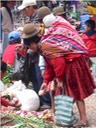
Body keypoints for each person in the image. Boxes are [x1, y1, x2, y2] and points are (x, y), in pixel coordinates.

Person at [21, 21, 95, 127]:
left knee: (76, 92)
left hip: (72, 64)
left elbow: (59, 64)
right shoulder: (43, 46)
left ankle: (83, 120)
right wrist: (46, 81)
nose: (29, 49)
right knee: (62, 92)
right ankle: (67, 116)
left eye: (29, 46)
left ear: (32, 43)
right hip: (67, 65)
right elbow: (50, 66)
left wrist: (59, 79)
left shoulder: (46, 47)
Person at [18, 0, 51, 108]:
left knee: (40, 75)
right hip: (32, 54)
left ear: (30, 7)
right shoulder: (30, 19)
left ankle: (46, 101)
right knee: (34, 77)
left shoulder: (39, 18)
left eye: (24, 9)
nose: (24, 12)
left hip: (39, 54)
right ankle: (40, 100)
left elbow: (40, 37)